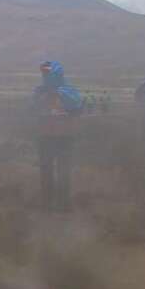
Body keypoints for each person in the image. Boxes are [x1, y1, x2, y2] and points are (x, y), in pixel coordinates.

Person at [32, 60, 81, 210]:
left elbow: (76, 106)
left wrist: (58, 94)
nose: (46, 77)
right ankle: (47, 202)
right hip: (45, 136)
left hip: (65, 137)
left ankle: (64, 203)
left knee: (63, 170)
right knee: (46, 169)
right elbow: (31, 107)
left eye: (49, 74)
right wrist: (41, 97)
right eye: (44, 74)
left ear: (57, 75)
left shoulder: (69, 91)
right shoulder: (40, 91)